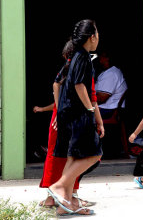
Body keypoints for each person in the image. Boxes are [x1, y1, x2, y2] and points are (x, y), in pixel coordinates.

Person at [47, 19, 104, 216]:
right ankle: (59, 186)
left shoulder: (76, 56)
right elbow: (80, 85)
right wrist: (90, 110)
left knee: (74, 157)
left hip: (68, 113)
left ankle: (67, 204)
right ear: (92, 36)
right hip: (78, 114)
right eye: (97, 33)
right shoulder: (82, 56)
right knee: (94, 154)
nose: (98, 37)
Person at [36, 40, 98, 208]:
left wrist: (58, 109)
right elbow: (91, 96)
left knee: (61, 156)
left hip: (62, 117)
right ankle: (63, 195)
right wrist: (95, 118)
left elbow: (55, 84)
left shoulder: (67, 69)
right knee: (74, 156)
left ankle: (61, 196)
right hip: (71, 118)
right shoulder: (79, 67)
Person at [95, 51, 128, 119]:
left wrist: (85, 101)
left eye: (101, 56)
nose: (99, 58)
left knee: (78, 113)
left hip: (108, 110)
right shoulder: (110, 71)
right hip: (107, 108)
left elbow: (101, 98)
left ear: (107, 58)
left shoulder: (111, 74)